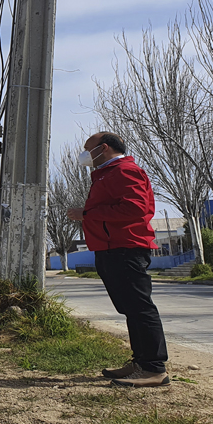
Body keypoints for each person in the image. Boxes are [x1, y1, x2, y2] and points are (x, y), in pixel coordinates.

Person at [67, 132, 170, 388]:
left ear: (103, 148)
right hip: (111, 248)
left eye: (87, 148)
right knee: (129, 309)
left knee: (140, 308)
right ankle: (141, 362)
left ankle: (154, 369)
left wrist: (87, 212)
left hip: (126, 248)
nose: (84, 153)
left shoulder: (123, 170)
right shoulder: (107, 172)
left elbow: (136, 208)